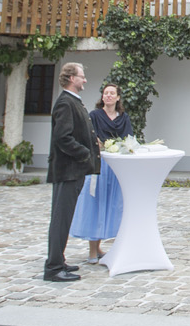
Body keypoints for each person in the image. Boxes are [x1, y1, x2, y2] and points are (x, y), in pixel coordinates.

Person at [44, 62, 97, 282]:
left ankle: (59, 259)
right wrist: (85, 153)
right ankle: (53, 267)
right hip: (68, 170)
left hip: (74, 170)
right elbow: (62, 137)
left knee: (64, 218)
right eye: (82, 76)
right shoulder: (66, 103)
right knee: (60, 219)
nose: (85, 80)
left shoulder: (72, 101)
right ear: (71, 78)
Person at [70, 82, 130, 264]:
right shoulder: (94, 116)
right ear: (102, 97)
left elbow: (128, 138)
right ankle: (92, 250)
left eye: (112, 93)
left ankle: (104, 247)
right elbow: (88, 136)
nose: (109, 96)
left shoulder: (124, 118)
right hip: (98, 164)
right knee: (95, 204)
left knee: (111, 205)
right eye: (106, 93)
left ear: (118, 97)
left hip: (116, 166)